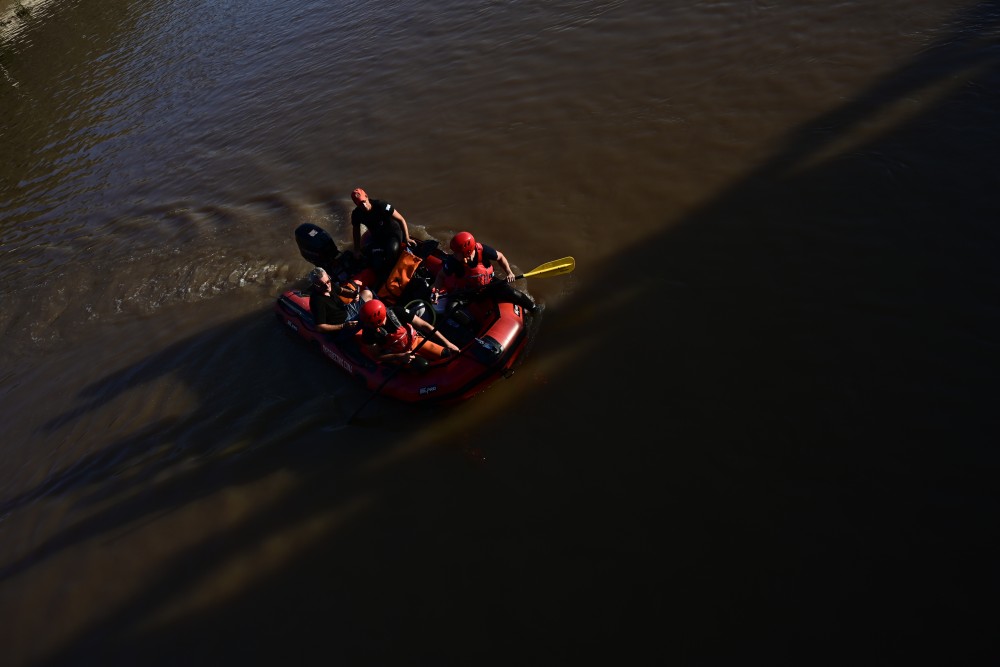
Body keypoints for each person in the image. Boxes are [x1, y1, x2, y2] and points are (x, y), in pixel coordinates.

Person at [432, 231, 538, 314]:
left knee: (514, 293)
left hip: (489, 284)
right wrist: (436, 291)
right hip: (467, 292)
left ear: (467, 252)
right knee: (451, 308)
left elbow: (500, 257)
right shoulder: (453, 262)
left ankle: (534, 309)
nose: (454, 254)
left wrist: (509, 272)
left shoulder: (482, 250)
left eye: (457, 252)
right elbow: (441, 276)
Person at [356, 298, 460, 367]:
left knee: (446, 354)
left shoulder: (397, 312)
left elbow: (425, 325)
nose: (368, 326)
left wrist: (448, 343)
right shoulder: (368, 332)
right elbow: (377, 356)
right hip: (400, 355)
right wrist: (399, 356)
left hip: (416, 341)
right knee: (423, 365)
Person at [350, 187, 415, 284]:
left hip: (393, 233)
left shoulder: (381, 205)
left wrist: (407, 238)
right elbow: (356, 232)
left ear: (367, 197)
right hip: (378, 237)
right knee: (376, 263)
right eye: (360, 204)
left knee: (391, 251)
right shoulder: (356, 214)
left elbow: (401, 219)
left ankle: (393, 277)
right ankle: (381, 281)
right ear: (356, 204)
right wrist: (357, 249)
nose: (363, 205)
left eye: (364, 201)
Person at [308, 267, 372, 335]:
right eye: (322, 285)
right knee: (370, 314)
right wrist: (343, 326)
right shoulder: (316, 301)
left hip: (346, 310)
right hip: (343, 325)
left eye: (328, 281)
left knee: (367, 293)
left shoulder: (329, 284)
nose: (327, 286)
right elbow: (319, 327)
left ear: (328, 277)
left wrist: (352, 294)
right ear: (315, 285)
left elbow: (341, 290)